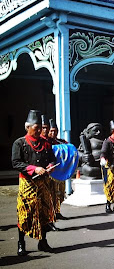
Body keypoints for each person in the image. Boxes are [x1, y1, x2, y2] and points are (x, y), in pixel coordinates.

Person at [12, 110, 57, 256]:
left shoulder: (46, 143)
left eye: (40, 128)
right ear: (27, 127)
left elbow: (52, 159)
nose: (38, 131)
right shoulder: (19, 143)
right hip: (28, 183)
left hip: (43, 183)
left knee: (44, 212)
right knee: (25, 213)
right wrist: (34, 168)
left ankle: (43, 241)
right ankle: (21, 243)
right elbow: (16, 163)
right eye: (35, 128)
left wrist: (50, 166)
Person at [47, 119, 68, 222]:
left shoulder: (62, 142)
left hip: (61, 172)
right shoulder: (46, 143)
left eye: (55, 131)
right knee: (52, 193)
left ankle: (57, 211)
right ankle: (51, 214)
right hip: (51, 173)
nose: (53, 133)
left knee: (60, 193)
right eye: (51, 131)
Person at [100, 120, 114, 213]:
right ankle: (108, 204)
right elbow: (103, 152)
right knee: (109, 185)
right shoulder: (107, 142)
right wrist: (103, 159)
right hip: (110, 167)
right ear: (113, 131)